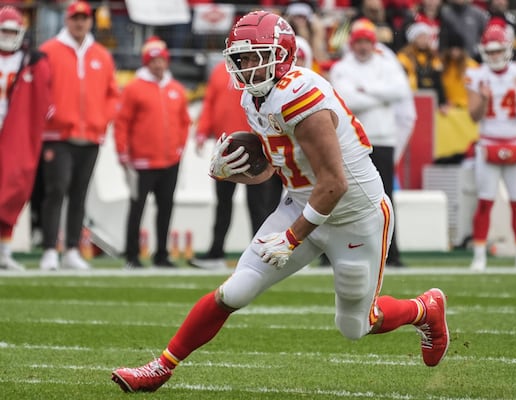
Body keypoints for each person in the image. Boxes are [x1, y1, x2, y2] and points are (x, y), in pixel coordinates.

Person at [111, 11, 449, 393]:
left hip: (355, 215)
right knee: (234, 291)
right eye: (241, 57)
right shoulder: (256, 97)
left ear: (282, 53)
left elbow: (334, 183)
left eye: (256, 56)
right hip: (301, 203)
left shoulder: (301, 94)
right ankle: (161, 367)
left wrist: (291, 238)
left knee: (355, 325)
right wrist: (231, 171)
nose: (247, 66)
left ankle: (425, 309)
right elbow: (278, 166)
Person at [38, 1, 119, 270]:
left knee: (79, 194)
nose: (80, 23)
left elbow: (112, 94)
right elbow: (40, 89)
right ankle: (50, 249)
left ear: (91, 21)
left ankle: (72, 248)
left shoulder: (101, 55)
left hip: (90, 136)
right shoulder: (49, 52)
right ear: (67, 20)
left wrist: (102, 119)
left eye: (84, 18)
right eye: (76, 18)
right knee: (56, 190)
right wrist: (50, 113)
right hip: (57, 134)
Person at [329, 18, 411, 267]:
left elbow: (401, 91)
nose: (363, 47)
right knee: (342, 196)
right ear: (353, 44)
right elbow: (344, 99)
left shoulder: (387, 64)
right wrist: (378, 94)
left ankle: (391, 254)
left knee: (385, 199)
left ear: (372, 43)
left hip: (382, 139)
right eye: (359, 42)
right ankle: (338, 252)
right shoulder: (342, 67)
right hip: (351, 142)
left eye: (367, 42)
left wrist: (364, 90)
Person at [189, 60, 281, 269]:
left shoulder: (261, 67)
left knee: (258, 205)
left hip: (255, 147)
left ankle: (260, 252)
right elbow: (211, 102)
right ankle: (216, 252)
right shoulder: (220, 70)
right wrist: (203, 131)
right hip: (226, 148)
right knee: (223, 204)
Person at [466, 24, 516, 272]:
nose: (494, 56)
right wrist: (485, 98)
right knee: (485, 201)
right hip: (488, 142)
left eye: (498, 51)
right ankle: (479, 255)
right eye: (490, 51)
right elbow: (473, 116)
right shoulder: (476, 75)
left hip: (515, 142)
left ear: (507, 49)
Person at [114, 36, 191, 269]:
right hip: (142, 161)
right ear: (147, 62)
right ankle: (132, 255)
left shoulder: (175, 88)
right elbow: (122, 122)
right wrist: (122, 152)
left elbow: (184, 122)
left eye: (161, 60)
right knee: (137, 208)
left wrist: (180, 146)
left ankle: (161, 255)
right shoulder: (134, 88)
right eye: (154, 61)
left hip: (170, 161)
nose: (158, 65)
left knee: (166, 209)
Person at [0, 6, 52, 270]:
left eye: (12, 31)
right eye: (4, 31)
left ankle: (4, 251)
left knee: (13, 188)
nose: (8, 36)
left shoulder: (32, 60)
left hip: (13, 131)